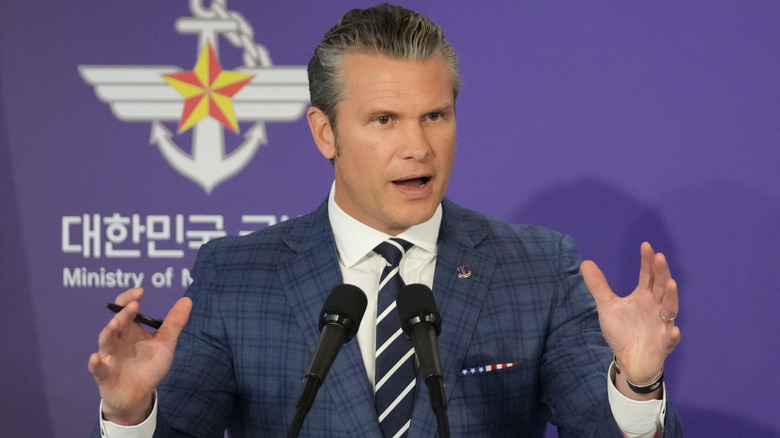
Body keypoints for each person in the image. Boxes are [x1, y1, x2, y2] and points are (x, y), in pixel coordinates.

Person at [89, 4, 682, 437]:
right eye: (383, 120)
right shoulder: (238, 276)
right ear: (326, 132)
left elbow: (603, 427)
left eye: (435, 115)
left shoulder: (535, 268)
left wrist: (635, 385)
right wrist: (130, 415)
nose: (418, 147)